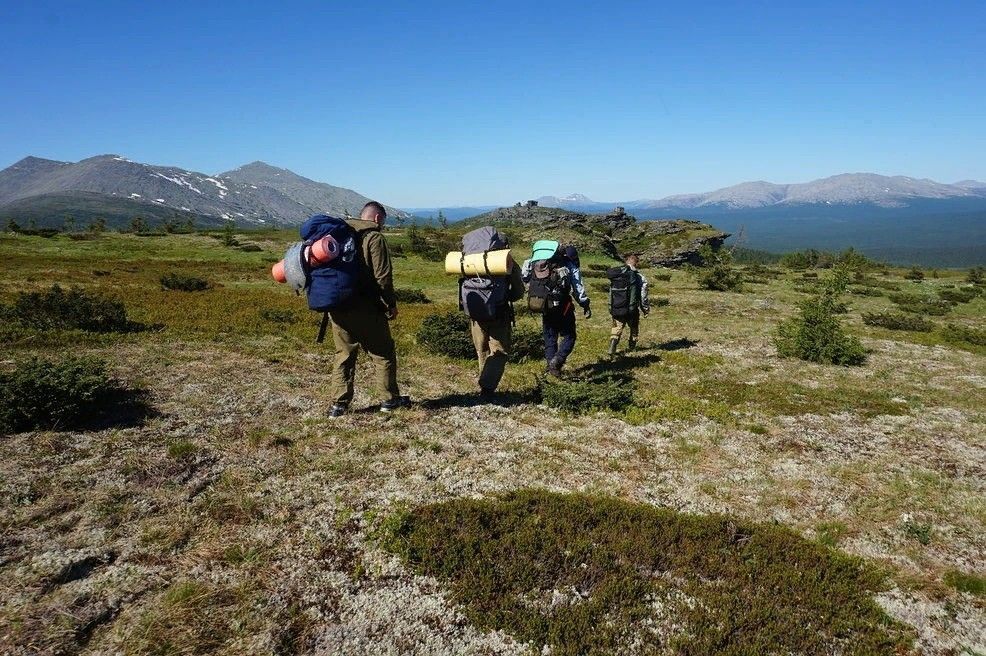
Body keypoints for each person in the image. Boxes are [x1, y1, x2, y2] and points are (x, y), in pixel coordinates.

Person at [327, 201, 409, 417]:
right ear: (376, 218)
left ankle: (338, 405)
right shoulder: (374, 237)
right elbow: (383, 277)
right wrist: (390, 304)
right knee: (382, 353)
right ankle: (389, 400)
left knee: (344, 354)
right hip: (365, 307)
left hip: (337, 306)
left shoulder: (338, 235)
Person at [521, 241, 591, 377]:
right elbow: (578, 288)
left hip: (544, 305)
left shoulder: (533, 262)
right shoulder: (568, 264)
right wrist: (585, 304)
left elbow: (524, 277)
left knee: (549, 336)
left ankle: (551, 366)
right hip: (563, 306)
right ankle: (557, 361)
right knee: (569, 335)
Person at [607, 253, 650, 356]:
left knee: (617, 327)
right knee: (634, 327)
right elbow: (643, 295)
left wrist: (610, 306)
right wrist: (645, 308)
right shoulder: (639, 276)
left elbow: (611, 292)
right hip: (632, 308)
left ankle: (613, 342)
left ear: (626, 261)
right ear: (636, 263)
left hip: (617, 306)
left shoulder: (617, 275)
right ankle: (631, 347)